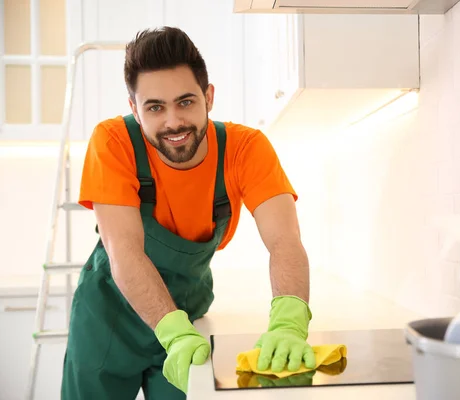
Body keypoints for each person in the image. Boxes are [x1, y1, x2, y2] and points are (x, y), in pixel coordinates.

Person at [61, 26, 315, 399]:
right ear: (134, 107)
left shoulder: (245, 149)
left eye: (185, 102)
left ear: (208, 97)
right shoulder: (114, 142)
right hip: (108, 322)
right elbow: (124, 251)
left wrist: (290, 320)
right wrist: (172, 333)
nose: (173, 122)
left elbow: (284, 240)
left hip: (190, 321)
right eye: (155, 107)